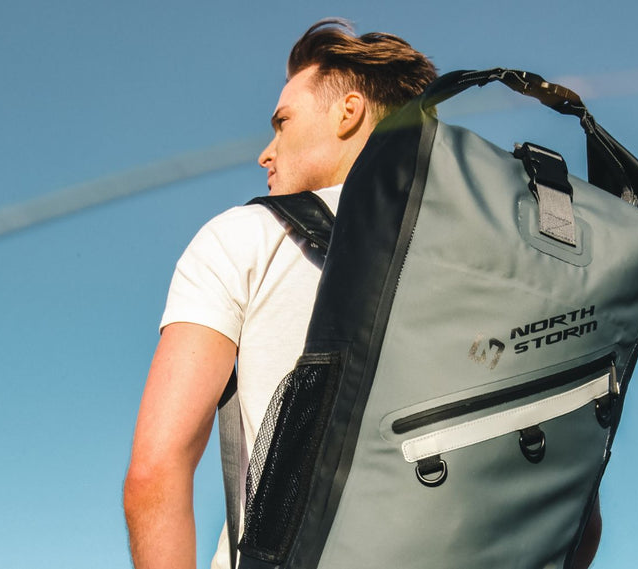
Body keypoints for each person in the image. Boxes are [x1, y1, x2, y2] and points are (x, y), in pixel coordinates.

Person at [123, 18, 601, 569]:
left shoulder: (245, 237)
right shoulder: (501, 273)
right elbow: (580, 521)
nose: (266, 152)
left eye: (282, 122)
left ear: (347, 113)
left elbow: (156, 472)